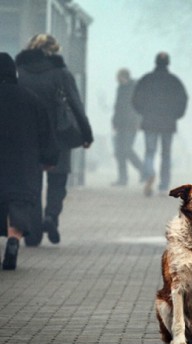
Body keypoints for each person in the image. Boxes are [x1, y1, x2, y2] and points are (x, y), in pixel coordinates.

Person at [15, 34, 94, 245]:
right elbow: (76, 105)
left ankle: (33, 233)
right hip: (60, 135)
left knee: (32, 184)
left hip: (29, 137)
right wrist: (86, 134)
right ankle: (51, 216)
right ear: (54, 50)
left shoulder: (19, 72)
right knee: (58, 181)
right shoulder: (61, 73)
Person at [0, 52, 58, 269]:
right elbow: (46, 132)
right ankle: (13, 240)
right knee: (18, 204)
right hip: (23, 165)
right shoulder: (30, 99)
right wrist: (50, 158)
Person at [132, 52, 188, 196]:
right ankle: (164, 185)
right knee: (166, 154)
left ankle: (150, 174)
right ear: (168, 63)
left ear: (155, 62)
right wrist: (177, 115)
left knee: (150, 151)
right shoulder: (174, 81)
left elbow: (135, 98)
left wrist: (143, 112)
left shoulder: (146, 79)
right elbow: (183, 99)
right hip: (168, 122)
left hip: (149, 120)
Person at [112, 68, 143, 186]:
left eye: (118, 77)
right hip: (120, 125)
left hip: (131, 125)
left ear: (123, 77)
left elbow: (138, 107)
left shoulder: (135, 88)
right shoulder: (120, 88)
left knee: (127, 150)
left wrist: (138, 122)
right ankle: (122, 178)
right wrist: (114, 122)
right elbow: (117, 107)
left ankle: (143, 171)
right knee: (119, 152)